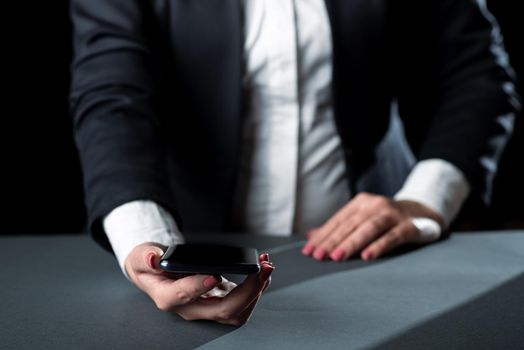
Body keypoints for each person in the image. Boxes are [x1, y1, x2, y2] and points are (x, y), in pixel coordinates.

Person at [69, 0, 519, 325]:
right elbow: (112, 96)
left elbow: (478, 75)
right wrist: (149, 244)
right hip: (201, 248)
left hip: (379, 255)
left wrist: (425, 200)